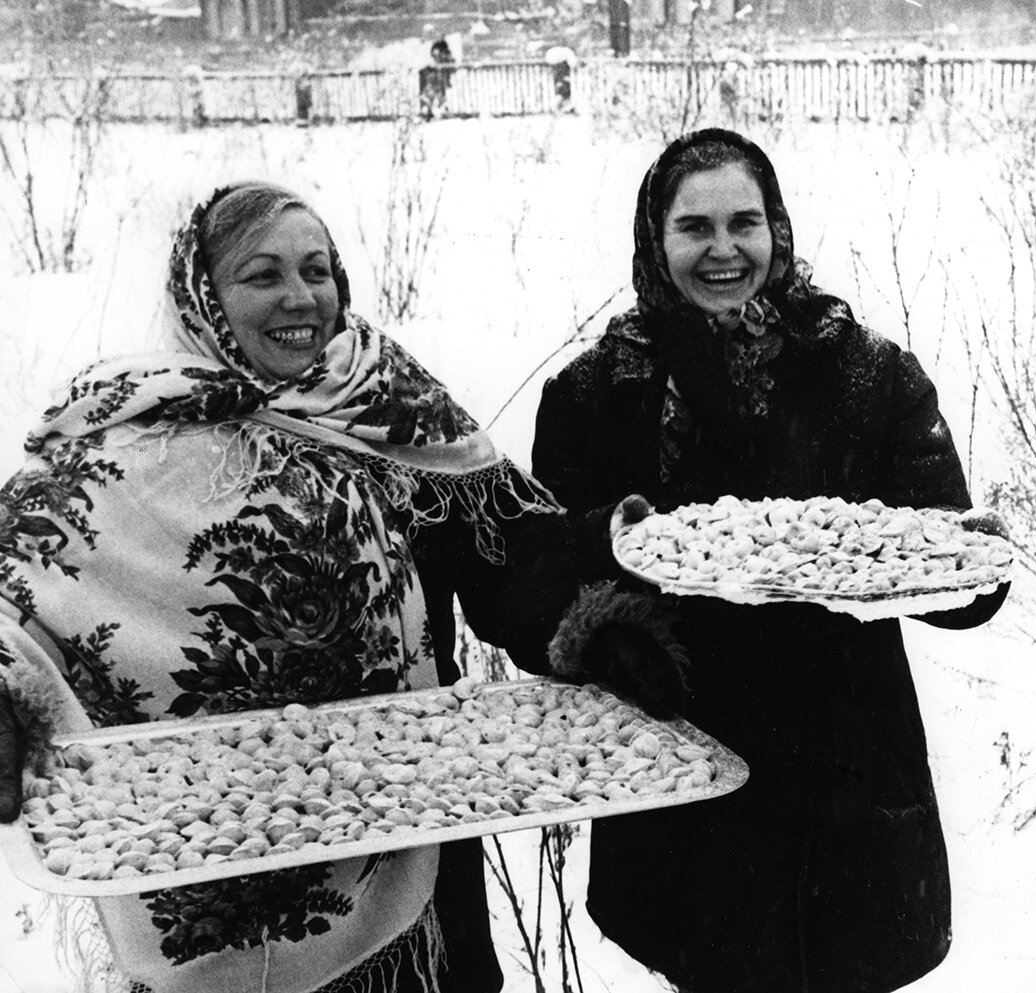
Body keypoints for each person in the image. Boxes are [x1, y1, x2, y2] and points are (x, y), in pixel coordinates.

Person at [0, 182, 607, 993]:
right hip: (204, 845)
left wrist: (595, 626)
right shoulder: (126, 437)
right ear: (203, 296)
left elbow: (513, 563)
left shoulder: (390, 408)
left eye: (316, 270)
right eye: (263, 275)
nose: (300, 297)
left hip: (406, 834)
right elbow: (14, 590)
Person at [531, 129, 1010, 993]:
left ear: (776, 229)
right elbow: (545, 567)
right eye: (694, 227)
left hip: (843, 762)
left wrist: (956, 558)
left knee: (837, 960)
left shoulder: (865, 373)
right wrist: (605, 629)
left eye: (743, 223)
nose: (723, 250)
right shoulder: (597, 393)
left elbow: (954, 575)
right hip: (681, 752)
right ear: (655, 240)